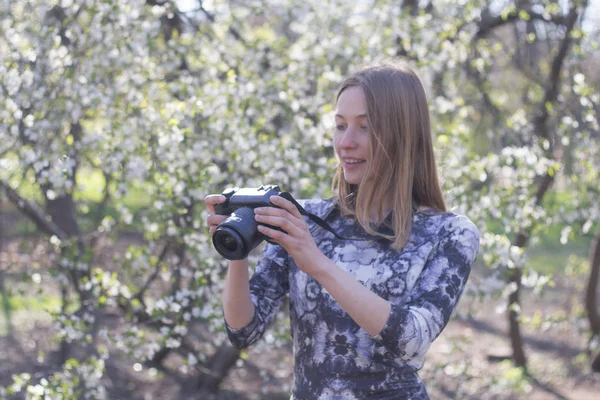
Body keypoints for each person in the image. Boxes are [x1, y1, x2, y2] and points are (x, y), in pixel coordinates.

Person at [204, 62, 480, 400]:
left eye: (365, 127)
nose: (345, 142)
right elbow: (243, 330)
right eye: (339, 126)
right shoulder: (302, 220)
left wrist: (318, 263)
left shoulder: (450, 234)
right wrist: (237, 248)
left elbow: (412, 340)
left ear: (403, 135)